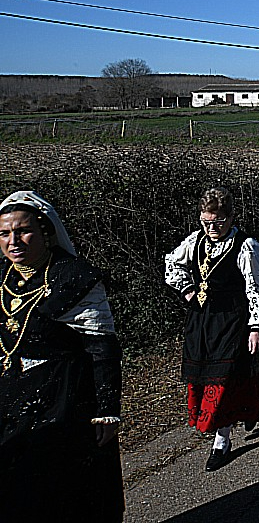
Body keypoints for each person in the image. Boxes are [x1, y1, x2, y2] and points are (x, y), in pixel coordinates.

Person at [0, 191, 124, 522]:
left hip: (67, 400)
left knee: (64, 492)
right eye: (4, 233)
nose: (14, 241)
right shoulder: (3, 279)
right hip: (11, 398)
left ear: (45, 232)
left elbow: (102, 346)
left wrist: (107, 409)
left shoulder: (73, 277)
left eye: (23, 231)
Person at [164, 187, 259, 471]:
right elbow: (170, 263)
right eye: (206, 222)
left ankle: (221, 440)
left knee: (223, 379)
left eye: (218, 222)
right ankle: (234, 420)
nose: (211, 228)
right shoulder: (195, 241)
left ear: (230, 217)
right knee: (204, 375)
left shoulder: (246, 246)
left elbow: (255, 287)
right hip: (202, 321)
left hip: (234, 320)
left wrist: (257, 327)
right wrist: (187, 289)